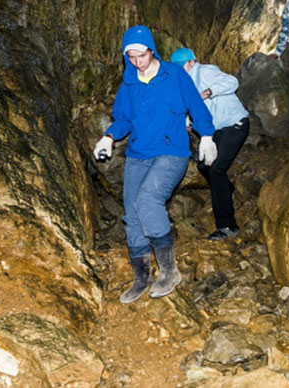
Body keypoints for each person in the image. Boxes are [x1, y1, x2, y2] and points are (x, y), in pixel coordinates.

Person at [93, 25, 218, 304]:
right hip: (138, 154)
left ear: (152, 49)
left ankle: (169, 271)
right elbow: (123, 118)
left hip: (171, 151)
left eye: (142, 55)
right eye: (132, 57)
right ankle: (141, 278)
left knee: (148, 200)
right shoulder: (129, 84)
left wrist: (207, 135)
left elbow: (196, 106)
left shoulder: (174, 75)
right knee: (133, 214)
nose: (138, 62)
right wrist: (108, 138)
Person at [170, 47, 251, 241]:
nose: (180, 70)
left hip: (235, 124)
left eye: (182, 66)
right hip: (218, 129)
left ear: (191, 62)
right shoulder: (185, 82)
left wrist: (209, 91)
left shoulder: (205, 71)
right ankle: (227, 189)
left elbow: (232, 82)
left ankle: (228, 226)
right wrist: (189, 124)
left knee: (216, 170)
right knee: (204, 165)